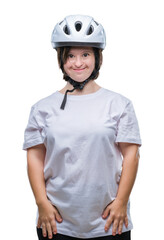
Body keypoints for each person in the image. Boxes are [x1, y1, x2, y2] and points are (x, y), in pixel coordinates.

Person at [22, 14, 142, 240]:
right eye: (71, 56)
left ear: (97, 58)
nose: (78, 63)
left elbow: (131, 155)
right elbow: (35, 158)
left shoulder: (119, 104)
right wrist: (42, 204)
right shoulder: (42, 108)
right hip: (56, 222)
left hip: (109, 221)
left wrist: (121, 202)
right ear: (61, 60)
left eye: (85, 54)